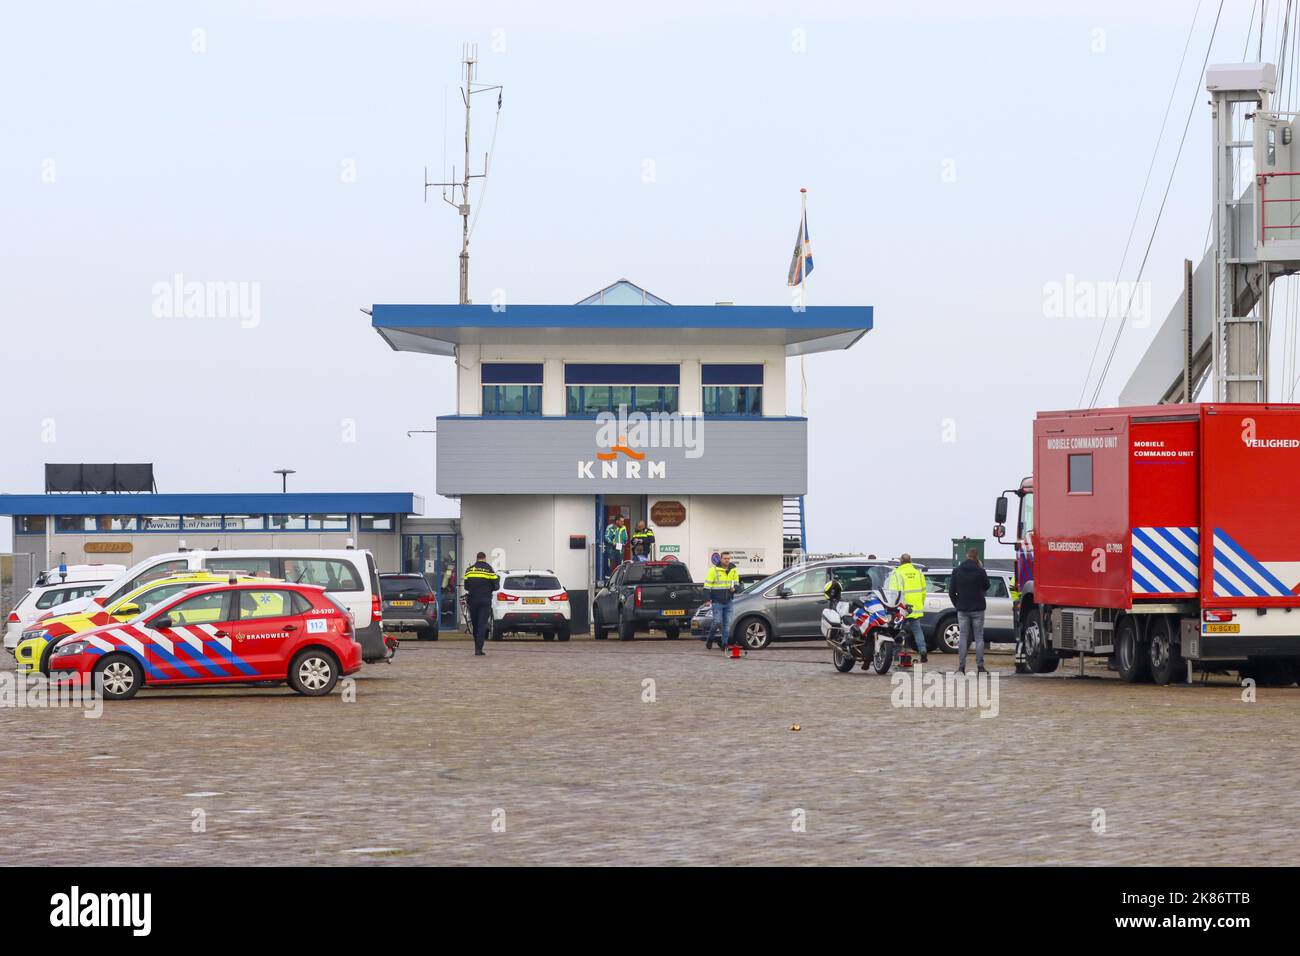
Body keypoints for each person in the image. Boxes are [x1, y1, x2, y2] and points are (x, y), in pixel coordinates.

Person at [949, 548, 990, 674]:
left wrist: (958, 604)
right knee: (979, 637)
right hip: (978, 608)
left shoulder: (957, 571)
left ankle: (961, 668)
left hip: (962, 608)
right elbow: (987, 586)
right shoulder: (980, 571)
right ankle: (980, 667)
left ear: (966, 557)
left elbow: (951, 591)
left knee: (963, 637)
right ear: (977, 557)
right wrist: (981, 568)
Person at [887, 553, 929, 663]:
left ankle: (895, 656)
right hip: (915, 608)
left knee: (896, 630)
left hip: (902, 608)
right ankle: (923, 650)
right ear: (910, 561)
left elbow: (893, 592)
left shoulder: (896, 573)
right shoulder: (918, 573)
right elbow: (924, 591)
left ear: (901, 561)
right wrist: (920, 603)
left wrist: (892, 607)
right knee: (917, 631)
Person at [462, 552, 499, 656]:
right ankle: (478, 649)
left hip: (473, 600)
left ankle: (476, 646)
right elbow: (496, 586)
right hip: (485, 600)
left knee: (475, 624)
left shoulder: (469, 570)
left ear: (477, 558)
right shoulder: (489, 569)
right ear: (485, 558)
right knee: (482, 624)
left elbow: (466, 586)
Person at [704, 551, 741, 650]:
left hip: (729, 601)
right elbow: (707, 586)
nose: (727, 560)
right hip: (717, 601)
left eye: (728, 558)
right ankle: (710, 639)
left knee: (727, 625)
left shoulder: (733, 570)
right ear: (721, 559)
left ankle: (724, 644)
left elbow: (737, 583)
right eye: (725, 558)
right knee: (716, 622)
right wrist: (707, 599)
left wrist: (735, 588)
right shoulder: (714, 570)